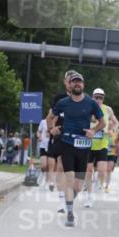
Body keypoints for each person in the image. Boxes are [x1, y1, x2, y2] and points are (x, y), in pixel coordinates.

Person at [49, 73, 105, 227]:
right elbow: (49, 118)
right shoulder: (63, 102)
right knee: (69, 179)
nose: (77, 84)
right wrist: (52, 128)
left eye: (79, 82)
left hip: (84, 146)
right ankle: (70, 213)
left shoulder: (91, 103)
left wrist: (93, 131)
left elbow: (102, 122)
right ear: (70, 85)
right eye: (74, 82)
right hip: (67, 143)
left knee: (78, 186)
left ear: (83, 85)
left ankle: (69, 201)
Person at [85, 88, 118, 206]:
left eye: (101, 97)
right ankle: (89, 195)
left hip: (102, 143)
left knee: (102, 171)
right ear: (92, 97)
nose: (98, 99)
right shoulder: (87, 107)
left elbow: (116, 122)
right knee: (88, 171)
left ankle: (94, 188)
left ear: (103, 99)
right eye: (96, 97)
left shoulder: (107, 109)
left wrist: (111, 129)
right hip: (88, 144)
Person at [46, 70, 74, 206]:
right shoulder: (59, 98)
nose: (71, 83)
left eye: (74, 81)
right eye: (69, 81)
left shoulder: (83, 99)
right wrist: (52, 128)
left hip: (76, 137)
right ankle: (62, 198)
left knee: (71, 170)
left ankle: (69, 193)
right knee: (61, 165)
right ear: (65, 82)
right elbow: (50, 116)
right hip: (61, 136)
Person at [36, 118, 50, 186]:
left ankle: (46, 182)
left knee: (49, 166)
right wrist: (39, 137)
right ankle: (41, 174)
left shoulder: (57, 121)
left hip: (52, 146)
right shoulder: (43, 121)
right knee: (44, 165)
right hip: (43, 146)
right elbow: (39, 131)